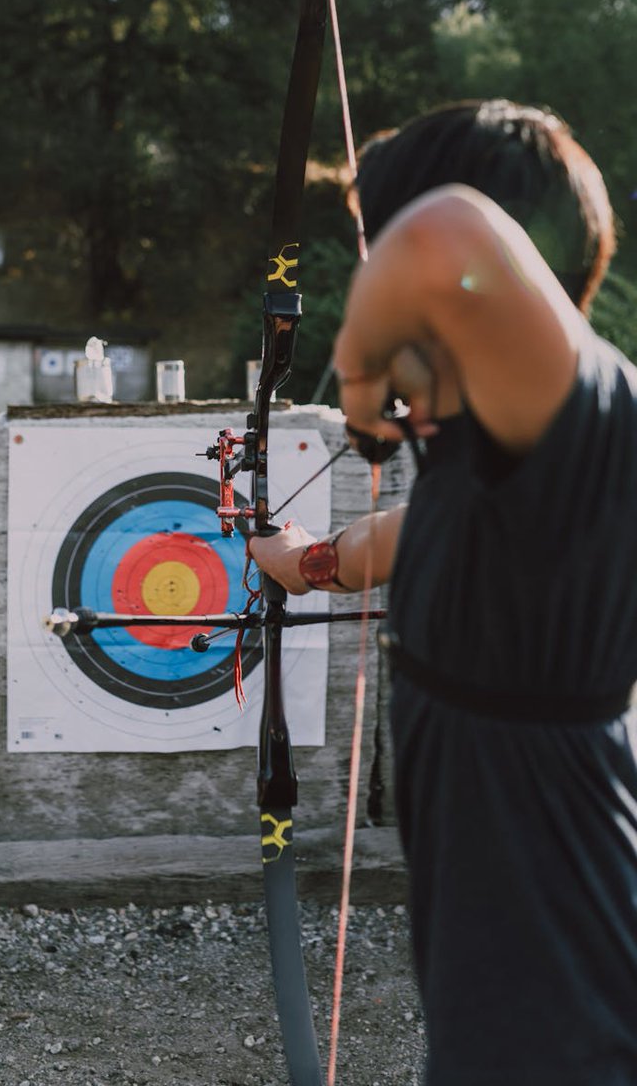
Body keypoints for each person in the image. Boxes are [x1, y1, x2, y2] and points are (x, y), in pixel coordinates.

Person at [249, 100, 637, 1085]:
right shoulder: (507, 468)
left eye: (376, 258)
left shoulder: (585, 417)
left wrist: (354, 377)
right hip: (514, 998)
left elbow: (440, 231)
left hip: (568, 1017)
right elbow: (422, 532)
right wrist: (309, 560)